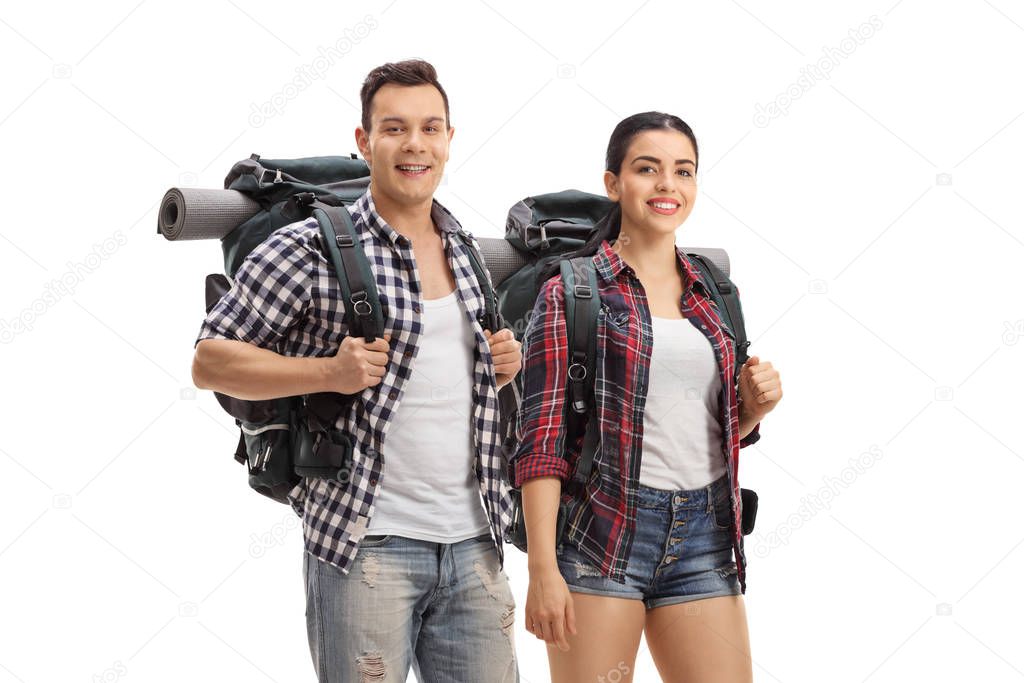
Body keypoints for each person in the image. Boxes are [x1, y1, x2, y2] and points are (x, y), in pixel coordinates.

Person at [191, 59, 522, 683]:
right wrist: (326, 372)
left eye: (430, 128)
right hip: (367, 546)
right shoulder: (308, 247)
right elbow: (211, 360)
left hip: (479, 543)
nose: (415, 144)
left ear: (450, 139)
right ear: (364, 142)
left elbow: (446, 381)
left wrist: (500, 368)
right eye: (395, 128)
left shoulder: (465, 250)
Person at [511, 112, 783, 682]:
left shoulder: (714, 292)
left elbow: (695, 426)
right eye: (647, 169)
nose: (668, 185)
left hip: (706, 535)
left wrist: (751, 412)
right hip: (604, 535)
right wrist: (542, 570)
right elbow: (541, 443)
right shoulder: (574, 291)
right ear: (613, 183)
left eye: (683, 171)